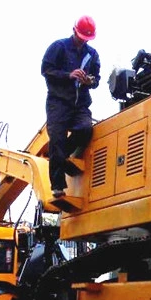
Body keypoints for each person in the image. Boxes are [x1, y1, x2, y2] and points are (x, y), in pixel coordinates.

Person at [41, 15, 101, 198]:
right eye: (82, 37)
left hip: (80, 104)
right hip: (58, 102)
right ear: (75, 31)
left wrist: (88, 80)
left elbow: (96, 80)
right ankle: (58, 186)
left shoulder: (92, 55)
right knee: (57, 139)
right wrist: (69, 75)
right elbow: (46, 70)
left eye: (87, 39)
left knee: (85, 129)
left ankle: (61, 157)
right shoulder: (58, 47)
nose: (83, 41)